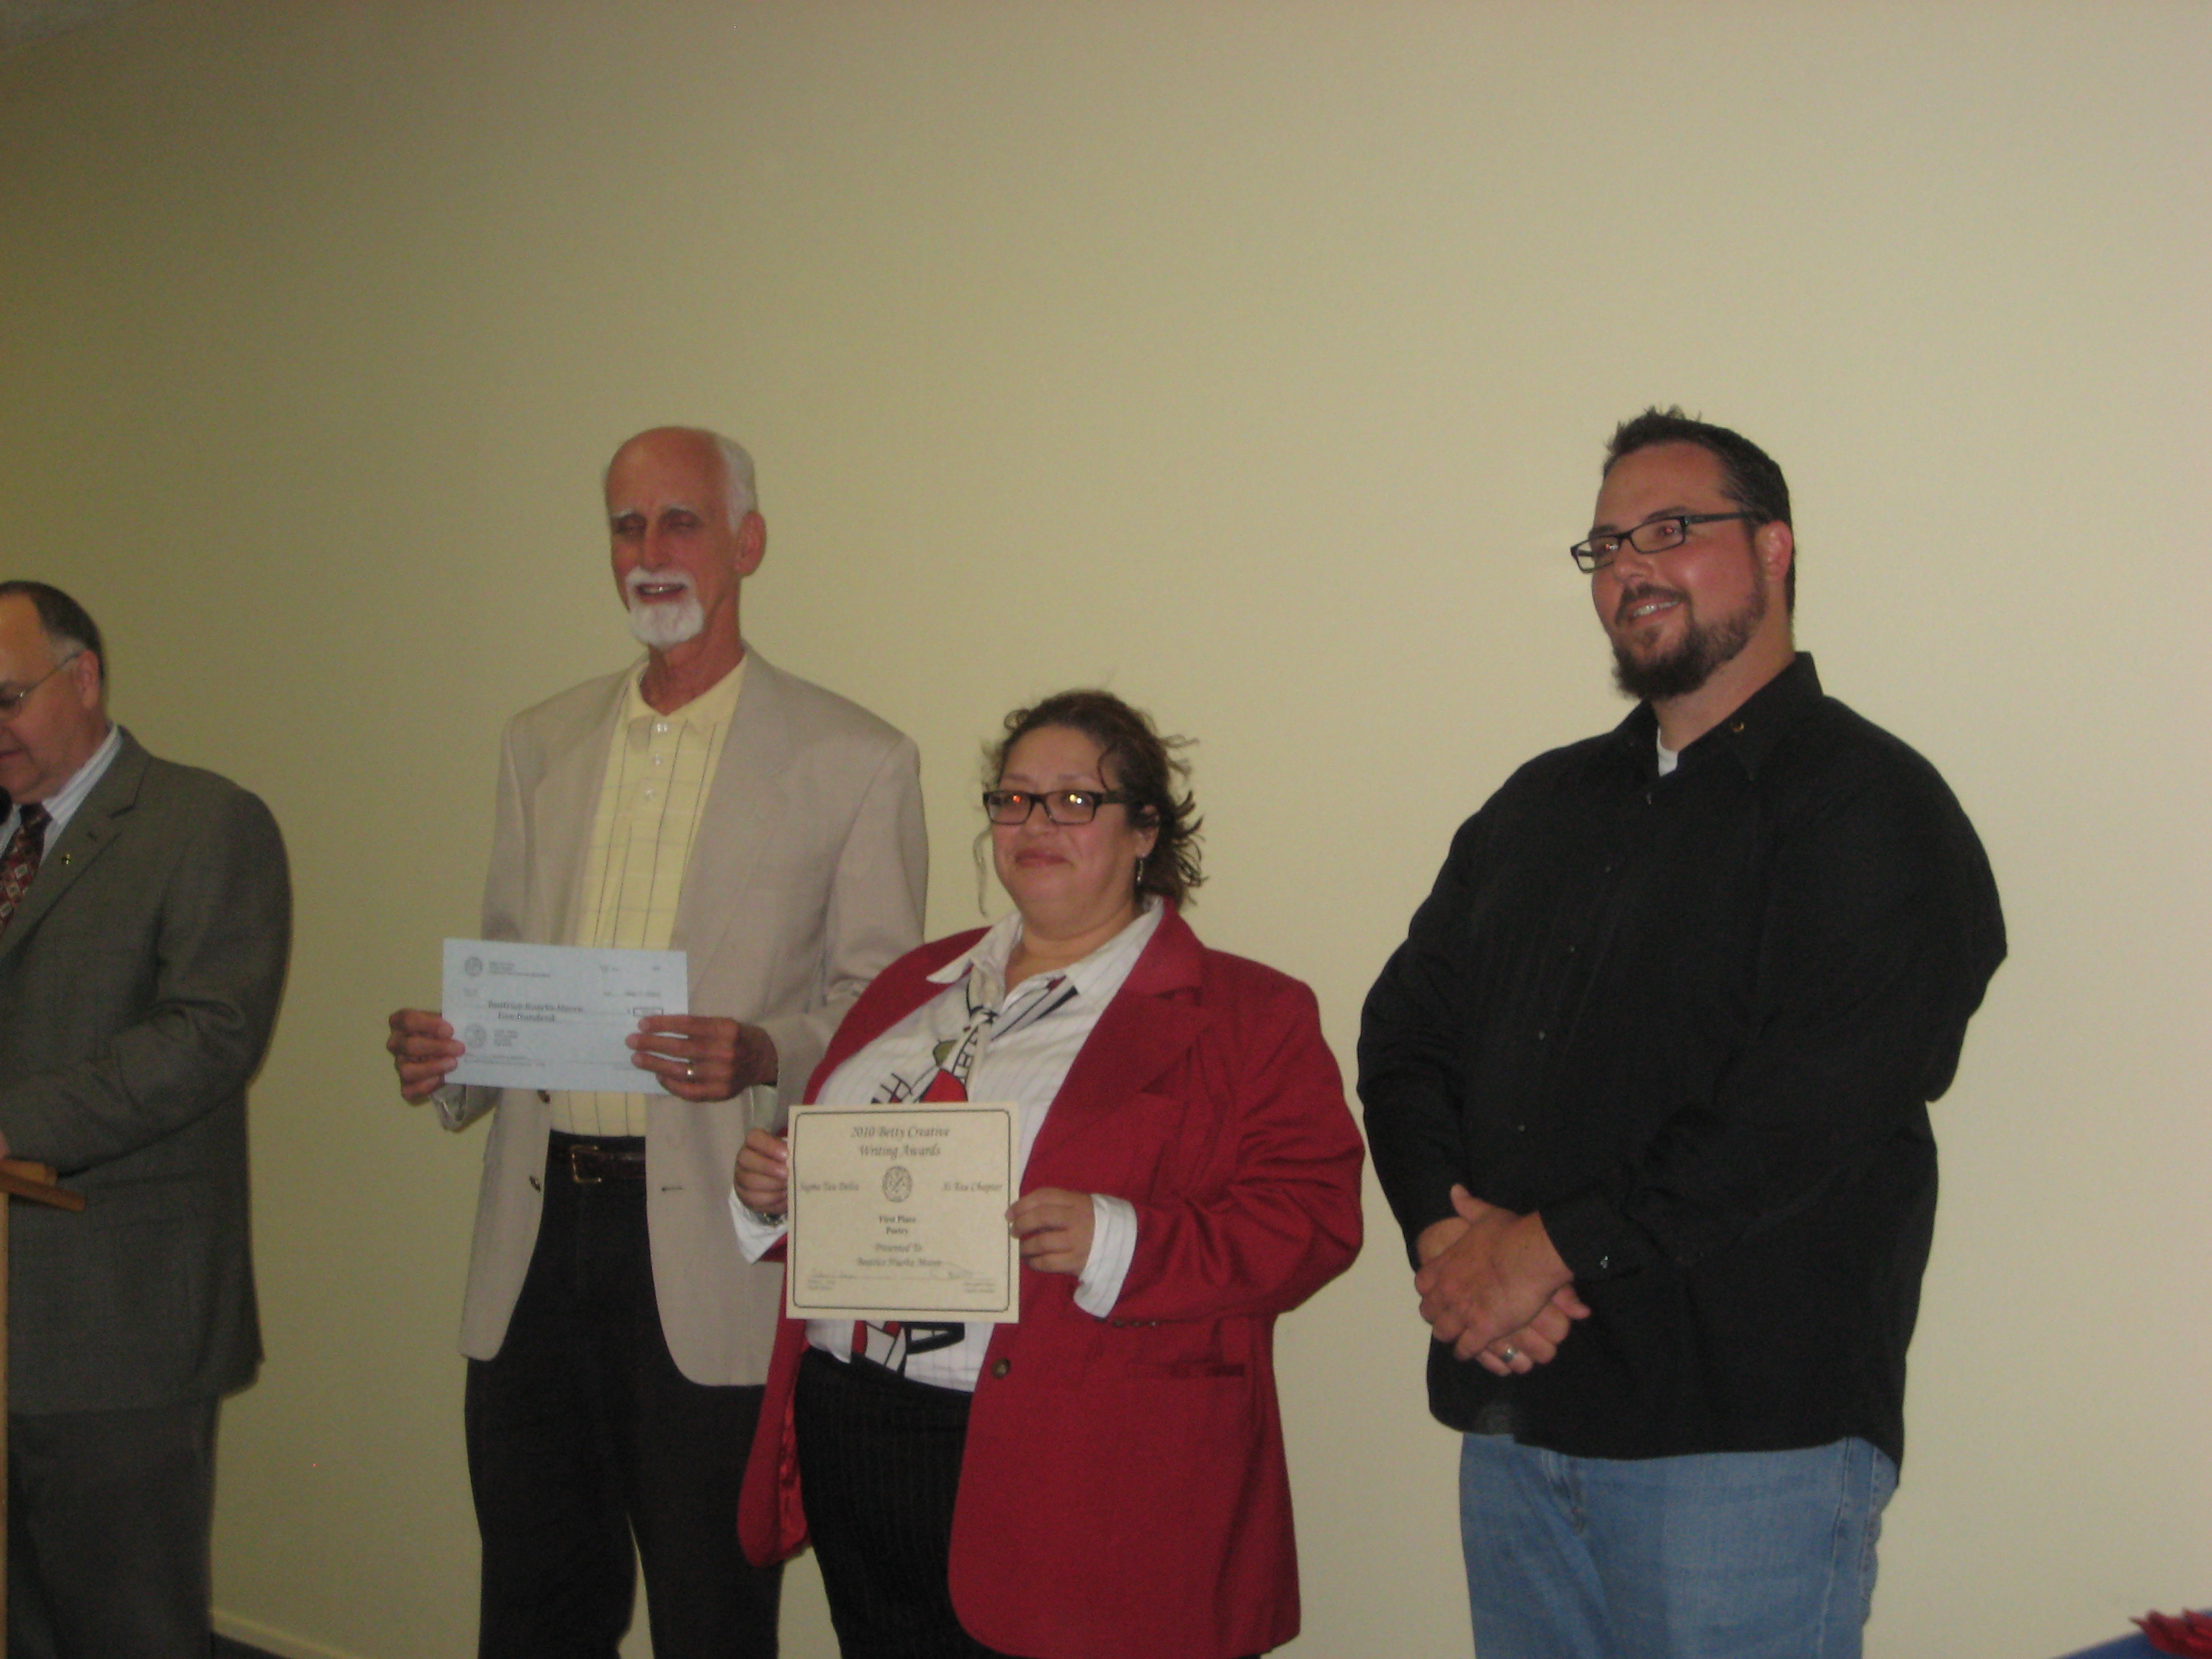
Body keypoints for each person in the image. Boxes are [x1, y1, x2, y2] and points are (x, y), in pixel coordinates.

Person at [1359, 410, 2007, 1659]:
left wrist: (1545, 1248)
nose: (1630, 569)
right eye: (1606, 545)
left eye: (1670, 530)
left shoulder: (1874, 807)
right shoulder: (1541, 804)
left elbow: (1809, 1107)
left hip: (1746, 1440)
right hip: (1518, 1415)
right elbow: (1406, 1037)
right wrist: (1450, 1238)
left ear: (1774, 548)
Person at [385, 427, 925, 1659]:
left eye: (680, 521)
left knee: (710, 1618)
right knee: (533, 1609)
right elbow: (513, 966)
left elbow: (885, 1017)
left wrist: (764, 1052)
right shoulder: (541, 741)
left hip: (713, 1252)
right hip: (533, 1243)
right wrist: (453, 1055)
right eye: (626, 526)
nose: (649, 551)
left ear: (747, 542)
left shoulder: (854, 759)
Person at [732, 690, 1362, 1659]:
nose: (1034, 824)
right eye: (1013, 799)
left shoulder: (1247, 1013)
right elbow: (862, 1187)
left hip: (1084, 1464)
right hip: (857, 1431)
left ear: (1145, 829)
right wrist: (778, 1194)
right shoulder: (911, 985)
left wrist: (1120, 1239)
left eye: (1074, 801)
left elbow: (1312, 1221)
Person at [0, 580, 291, 1659]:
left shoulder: (204, 822)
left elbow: (208, 1037)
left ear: (83, 678)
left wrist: (9, 1123)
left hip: (120, 1325)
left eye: (7, 699)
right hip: (3, 1310)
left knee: (128, 1631)